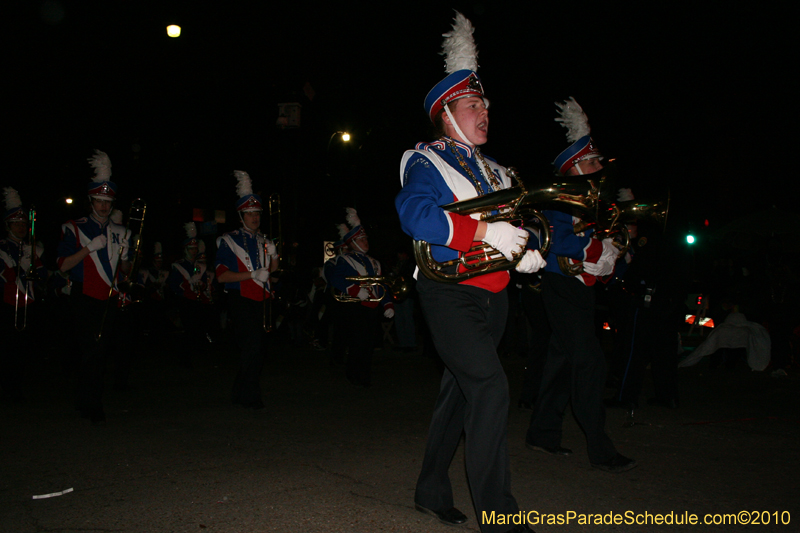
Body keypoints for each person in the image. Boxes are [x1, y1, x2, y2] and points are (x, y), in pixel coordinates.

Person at [395, 13, 544, 533]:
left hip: (493, 294)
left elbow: (517, 223)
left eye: (485, 103)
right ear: (447, 114)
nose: (484, 112)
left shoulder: (499, 170)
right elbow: (413, 215)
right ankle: (499, 513)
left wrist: (524, 249)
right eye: (473, 104)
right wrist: (484, 235)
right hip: (448, 292)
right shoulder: (427, 161)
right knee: (491, 388)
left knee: (460, 393)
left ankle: (431, 488)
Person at [524, 98, 636, 472]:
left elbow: (597, 254)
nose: (601, 166)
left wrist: (611, 256)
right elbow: (550, 236)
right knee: (590, 362)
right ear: (575, 166)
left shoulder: (590, 203)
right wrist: (595, 247)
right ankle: (601, 450)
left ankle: (542, 433)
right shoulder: (562, 198)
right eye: (594, 161)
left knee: (562, 362)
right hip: (561, 286)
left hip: (578, 290)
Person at [57, 150, 131, 424]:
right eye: (99, 201)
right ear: (91, 201)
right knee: (91, 350)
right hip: (84, 294)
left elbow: (125, 272)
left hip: (109, 296)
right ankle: (91, 403)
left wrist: (125, 256)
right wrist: (89, 248)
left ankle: (85, 398)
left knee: (99, 351)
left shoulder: (122, 232)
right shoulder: (74, 228)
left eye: (107, 201)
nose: (103, 206)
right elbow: (63, 265)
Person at [215, 170, 278, 410]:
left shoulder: (264, 239)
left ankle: (240, 391)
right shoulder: (228, 240)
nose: (255, 217)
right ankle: (250, 395)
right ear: (241, 215)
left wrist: (274, 257)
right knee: (252, 345)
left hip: (262, 297)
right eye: (250, 213)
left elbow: (272, 270)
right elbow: (221, 276)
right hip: (241, 297)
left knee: (258, 349)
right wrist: (251, 275)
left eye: (257, 212)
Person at [327, 208, 394, 387]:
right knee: (357, 342)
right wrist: (355, 290)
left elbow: (382, 285)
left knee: (368, 344)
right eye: (362, 240)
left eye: (366, 239)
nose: (366, 242)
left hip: (372, 307)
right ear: (353, 242)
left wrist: (387, 304)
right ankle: (354, 374)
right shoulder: (345, 260)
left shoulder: (375, 262)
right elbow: (335, 278)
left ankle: (364, 375)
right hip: (355, 306)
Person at [1, 187, 47, 402]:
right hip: (7, 303)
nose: (21, 227)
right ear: (8, 225)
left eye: (23, 224)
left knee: (22, 349)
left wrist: (33, 260)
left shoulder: (31, 247)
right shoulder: (2, 248)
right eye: (16, 224)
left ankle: (17, 386)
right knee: (7, 349)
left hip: (28, 303)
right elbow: (7, 275)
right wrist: (25, 262)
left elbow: (42, 274)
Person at [169, 222, 215, 365]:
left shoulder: (199, 266)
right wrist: (187, 285)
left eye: (195, 249)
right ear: (185, 249)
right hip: (185, 301)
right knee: (188, 329)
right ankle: (184, 357)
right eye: (191, 249)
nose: (194, 251)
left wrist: (201, 284)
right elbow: (174, 285)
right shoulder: (178, 266)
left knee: (198, 328)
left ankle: (197, 353)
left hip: (198, 301)